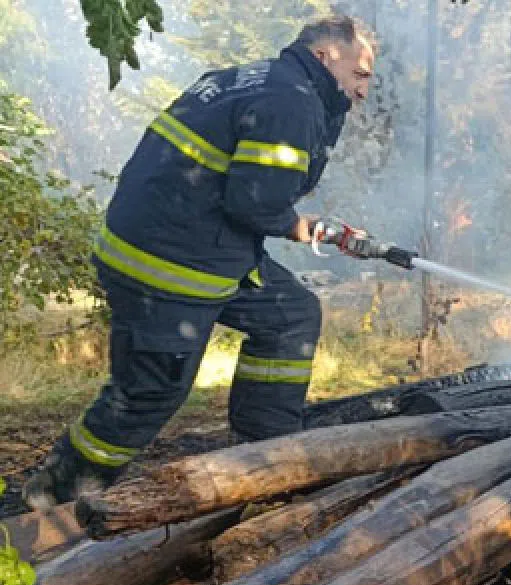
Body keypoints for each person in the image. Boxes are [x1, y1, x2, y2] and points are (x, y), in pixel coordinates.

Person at [22, 16, 377, 509]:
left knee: (290, 314)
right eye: (360, 74)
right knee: (148, 394)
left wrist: (312, 226)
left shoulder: (249, 79)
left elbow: (248, 190)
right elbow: (255, 202)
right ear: (325, 55)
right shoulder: (291, 100)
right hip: (169, 265)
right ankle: (47, 503)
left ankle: (266, 456)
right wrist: (304, 223)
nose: (362, 91)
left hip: (199, 247)